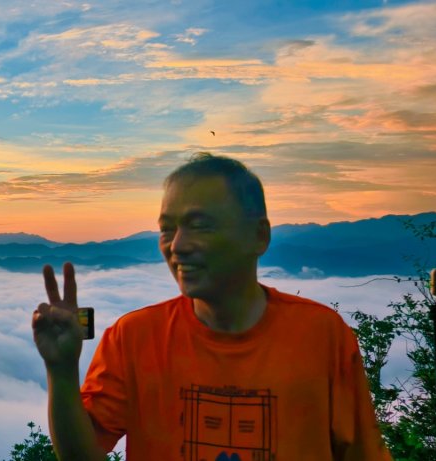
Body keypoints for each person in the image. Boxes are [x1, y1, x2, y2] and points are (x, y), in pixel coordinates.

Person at [31, 153, 392, 460]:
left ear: (259, 236)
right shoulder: (133, 338)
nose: (177, 246)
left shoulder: (321, 335)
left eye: (199, 226)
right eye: (167, 229)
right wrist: (61, 370)